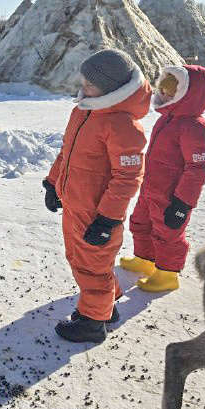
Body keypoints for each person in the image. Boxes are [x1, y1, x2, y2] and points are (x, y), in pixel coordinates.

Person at [43, 49, 151, 343]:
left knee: (92, 267)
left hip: (99, 213)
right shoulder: (83, 111)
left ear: (113, 89)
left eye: (91, 84)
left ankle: (93, 323)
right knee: (79, 259)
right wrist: (53, 183)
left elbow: (127, 177)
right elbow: (67, 151)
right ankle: (105, 306)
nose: (83, 87)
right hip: (75, 204)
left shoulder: (122, 124)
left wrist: (108, 219)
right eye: (84, 81)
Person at [121, 65, 205, 292]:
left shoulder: (195, 128)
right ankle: (145, 258)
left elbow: (198, 169)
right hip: (150, 188)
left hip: (173, 195)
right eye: (163, 87)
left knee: (168, 232)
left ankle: (167, 273)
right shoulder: (167, 119)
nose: (164, 93)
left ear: (189, 93)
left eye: (172, 89)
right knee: (140, 223)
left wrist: (182, 203)